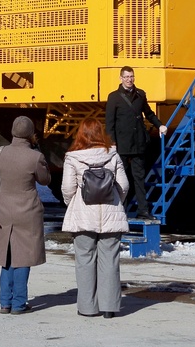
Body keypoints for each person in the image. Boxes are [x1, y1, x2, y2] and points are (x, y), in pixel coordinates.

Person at [61, 118, 130, 319]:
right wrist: (117, 201)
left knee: (84, 259)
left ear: (80, 134)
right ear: (102, 134)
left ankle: (88, 308)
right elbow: (124, 185)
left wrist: (71, 204)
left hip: (83, 215)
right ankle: (109, 308)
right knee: (110, 260)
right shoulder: (113, 155)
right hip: (111, 215)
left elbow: (67, 188)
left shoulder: (72, 158)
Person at [0, 116, 50, 314]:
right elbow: (45, 180)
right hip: (27, 211)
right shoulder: (35, 157)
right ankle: (19, 303)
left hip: (4, 209)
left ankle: (4, 303)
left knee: (6, 256)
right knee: (23, 257)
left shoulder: (1, 153)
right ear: (30, 134)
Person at [104, 66, 167, 221]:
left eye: (131, 76)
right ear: (121, 78)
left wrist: (160, 125)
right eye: (126, 77)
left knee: (139, 178)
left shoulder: (140, 94)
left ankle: (143, 210)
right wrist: (111, 144)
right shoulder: (114, 97)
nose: (129, 79)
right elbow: (109, 124)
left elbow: (149, 113)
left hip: (138, 143)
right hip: (122, 145)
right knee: (120, 179)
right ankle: (120, 211)